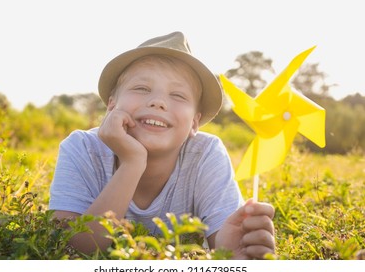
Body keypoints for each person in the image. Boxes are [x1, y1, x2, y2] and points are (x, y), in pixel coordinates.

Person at [49, 31, 275, 259]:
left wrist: (233, 253)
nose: (158, 102)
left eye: (178, 95)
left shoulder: (206, 154)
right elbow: (70, 247)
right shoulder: (81, 148)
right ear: (112, 105)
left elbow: (226, 248)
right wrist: (132, 163)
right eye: (141, 88)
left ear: (194, 123)